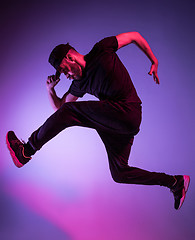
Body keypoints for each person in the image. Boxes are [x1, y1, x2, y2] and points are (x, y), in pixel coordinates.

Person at [6, 32, 190, 210]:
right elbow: (60, 110)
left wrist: (154, 60)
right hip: (115, 125)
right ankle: (174, 182)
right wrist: (50, 90)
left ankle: (27, 150)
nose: (66, 76)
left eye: (64, 70)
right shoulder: (79, 84)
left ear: (70, 57)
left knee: (70, 111)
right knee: (119, 172)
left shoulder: (102, 49)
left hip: (128, 112)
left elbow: (134, 36)